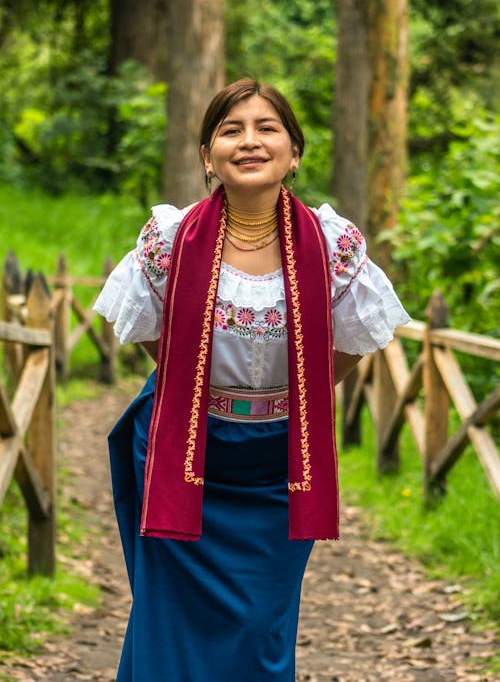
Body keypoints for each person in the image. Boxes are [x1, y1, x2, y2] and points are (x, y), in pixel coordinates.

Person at [94, 78, 410, 681]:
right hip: (181, 456)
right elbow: (141, 323)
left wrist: (296, 397)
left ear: (294, 153)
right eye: (230, 130)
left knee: (259, 628)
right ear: (207, 154)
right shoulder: (169, 237)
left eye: (268, 129)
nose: (249, 142)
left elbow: (354, 341)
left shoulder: (332, 243)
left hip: (277, 464)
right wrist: (196, 387)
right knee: (171, 622)